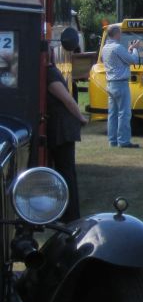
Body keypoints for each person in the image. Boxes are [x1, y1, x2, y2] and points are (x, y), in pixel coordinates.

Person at [46, 29, 90, 220]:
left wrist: (80, 118)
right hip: (61, 126)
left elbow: (68, 101)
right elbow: (68, 101)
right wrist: (80, 118)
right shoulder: (51, 73)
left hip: (62, 128)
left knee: (66, 171)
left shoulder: (50, 75)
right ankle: (68, 213)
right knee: (65, 170)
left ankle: (71, 215)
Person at [101, 24, 141, 148]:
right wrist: (134, 49)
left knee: (112, 114)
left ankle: (112, 140)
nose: (121, 35)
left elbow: (121, 60)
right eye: (120, 33)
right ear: (116, 34)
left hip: (110, 83)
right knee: (124, 113)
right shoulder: (117, 47)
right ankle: (123, 141)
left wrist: (128, 50)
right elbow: (133, 60)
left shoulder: (105, 48)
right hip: (121, 83)